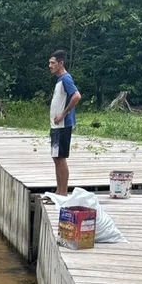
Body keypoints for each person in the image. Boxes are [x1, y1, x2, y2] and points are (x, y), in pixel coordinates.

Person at [48, 50, 81, 195]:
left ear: (61, 63)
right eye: (49, 63)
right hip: (56, 126)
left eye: (53, 63)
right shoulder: (59, 80)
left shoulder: (66, 79)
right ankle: (58, 190)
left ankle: (63, 192)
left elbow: (76, 96)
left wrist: (63, 114)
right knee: (56, 158)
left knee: (61, 158)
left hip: (63, 125)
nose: (50, 65)